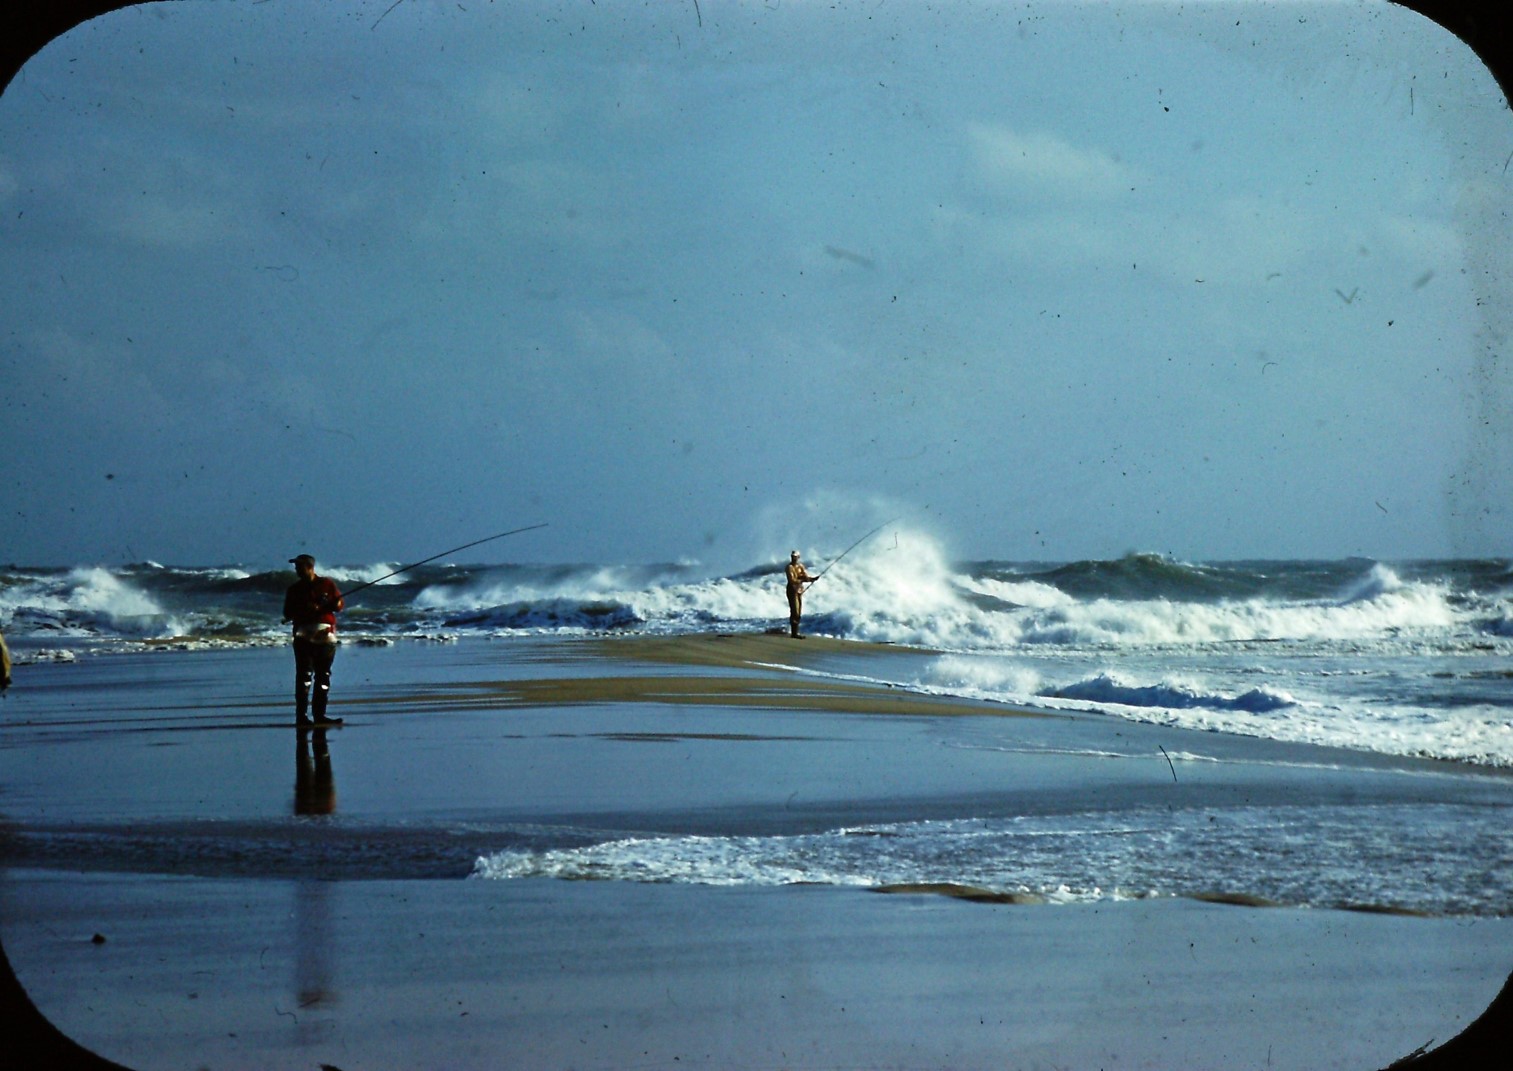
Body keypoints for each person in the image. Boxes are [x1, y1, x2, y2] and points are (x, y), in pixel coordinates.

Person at [282, 554, 344, 727]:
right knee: (304, 677)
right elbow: (287, 613)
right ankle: (301, 716)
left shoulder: (327, 584)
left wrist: (332, 603)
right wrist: (304, 608)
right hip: (303, 634)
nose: (296, 570)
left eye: (299, 567)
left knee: (323, 676)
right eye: (296, 567)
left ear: (309, 567)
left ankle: (320, 715)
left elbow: (339, 606)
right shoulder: (294, 590)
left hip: (325, 635)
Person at [785, 549, 819, 638]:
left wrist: (812, 579)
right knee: (795, 611)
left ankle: (795, 632)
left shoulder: (800, 566)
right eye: (792, 557)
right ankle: (794, 633)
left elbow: (805, 577)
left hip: (799, 590)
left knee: (798, 611)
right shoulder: (789, 567)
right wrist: (802, 580)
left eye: (795, 557)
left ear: (798, 557)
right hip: (792, 590)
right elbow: (792, 580)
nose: (794, 559)